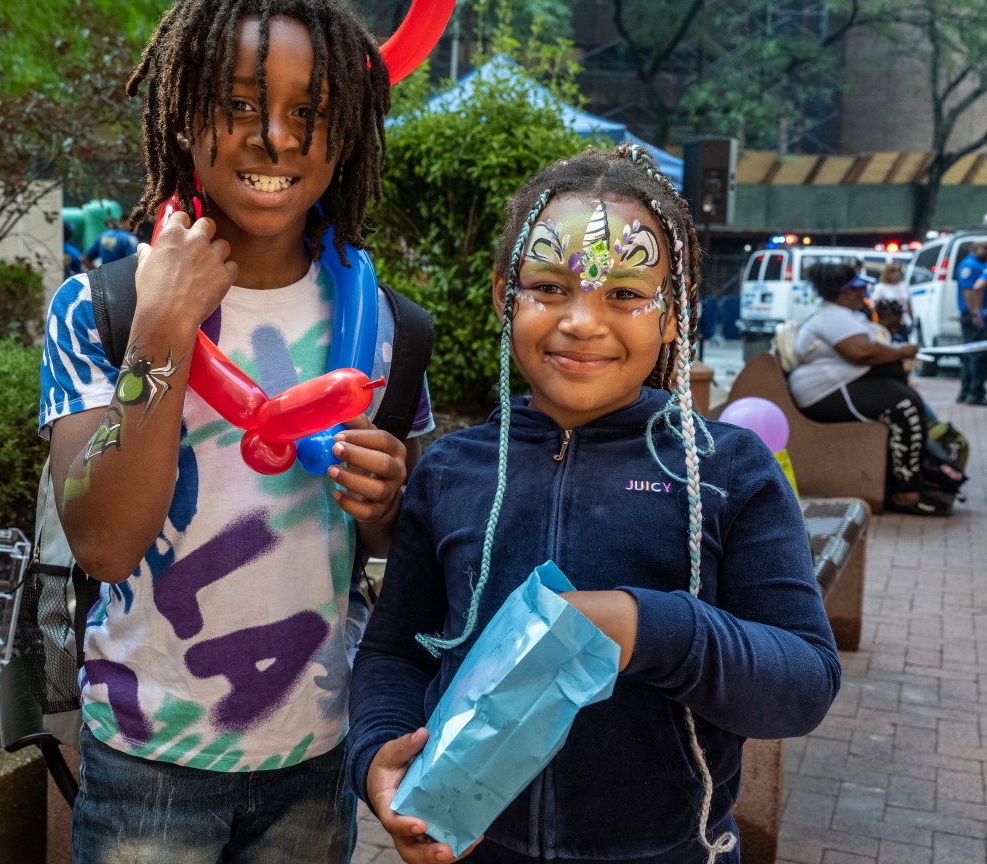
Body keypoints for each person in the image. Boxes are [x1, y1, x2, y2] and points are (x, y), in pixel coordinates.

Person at [39, 0, 433, 864]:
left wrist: (387, 505)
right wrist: (163, 327)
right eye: (241, 104)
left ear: (345, 134)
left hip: (314, 763)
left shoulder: (389, 331)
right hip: (146, 767)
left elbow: (401, 550)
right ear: (183, 114)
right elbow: (104, 544)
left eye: (308, 111)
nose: (275, 137)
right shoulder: (98, 309)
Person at [348, 145, 840, 864]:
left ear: (673, 314)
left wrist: (649, 628)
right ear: (503, 295)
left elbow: (804, 681)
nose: (582, 321)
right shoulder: (451, 471)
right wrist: (377, 757)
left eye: (625, 294)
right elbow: (398, 651)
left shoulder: (729, 471)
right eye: (548, 286)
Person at [786, 262, 950, 514]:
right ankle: (905, 493)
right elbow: (862, 352)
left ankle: (907, 483)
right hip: (824, 393)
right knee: (904, 408)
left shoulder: (843, 314)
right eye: (858, 288)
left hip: (837, 386)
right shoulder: (831, 316)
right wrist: (901, 351)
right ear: (844, 292)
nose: (863, 293)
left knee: (906, 401)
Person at [955, 241, 987, 404]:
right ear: (975, 249)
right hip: (974, 315)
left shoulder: (978, 264)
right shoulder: (970, 265)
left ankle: (966, 392)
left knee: (970, 355)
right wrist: (976, 314)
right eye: (985, 249)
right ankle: (975, 393)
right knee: (977, 355)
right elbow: (969, 291)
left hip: (975, 314)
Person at [869, 261, 910, 338]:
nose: (897, 273)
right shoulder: (880, 287)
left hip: (903, 321)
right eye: (893, 270)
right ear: (887, 272)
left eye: (899, 270)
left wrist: (912, 320)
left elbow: (908, 304)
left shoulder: (904, 285)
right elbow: (873, 305)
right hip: (887, 323)